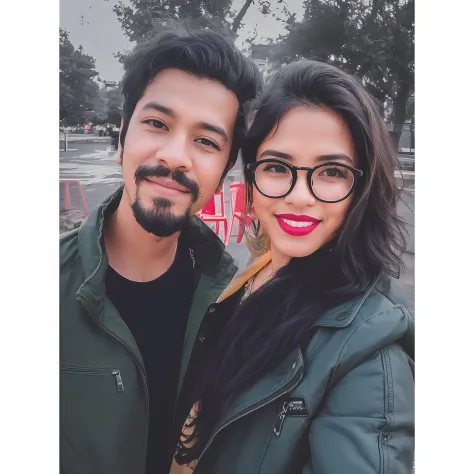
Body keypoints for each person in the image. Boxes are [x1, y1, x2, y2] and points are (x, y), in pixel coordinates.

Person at [172, 60, 415, 474]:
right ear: (250, 178)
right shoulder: (255, 270)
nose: (300, 196)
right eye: (277, 167)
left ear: (363, 187)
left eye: (332, 172)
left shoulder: (371, 358)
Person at [59, 23, 261, 474]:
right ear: (121, 138)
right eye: (156, 123)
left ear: (225, 171)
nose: (175, 155)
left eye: (206, 141)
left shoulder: (234, 303)